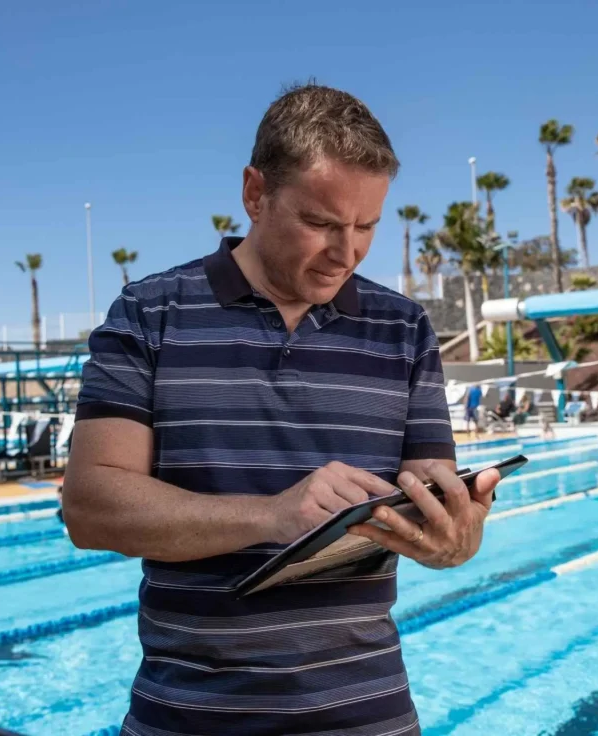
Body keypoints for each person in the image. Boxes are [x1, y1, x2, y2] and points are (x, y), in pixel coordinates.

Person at [62, 83, 502, 736]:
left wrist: (453, 539)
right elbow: (90, 507)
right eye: (322, 223)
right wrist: (274, 515)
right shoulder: (150, 315)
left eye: (367, 226)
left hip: (369, 717)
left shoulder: (403, 329)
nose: (346, 252)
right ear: (255, 193)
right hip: (188, 719)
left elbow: (432, 497)